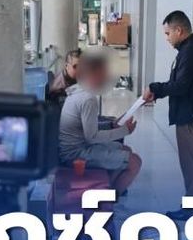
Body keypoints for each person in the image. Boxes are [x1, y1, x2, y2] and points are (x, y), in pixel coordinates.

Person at [142, 11, 193, 216]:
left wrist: (154, 88)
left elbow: (181, 86)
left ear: (179, 30)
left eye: (168, 33)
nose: (167, 38)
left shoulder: (189, 51)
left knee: (191, 163)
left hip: (192, 116)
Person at [59, 54, 142, 193]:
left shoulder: (78, 90)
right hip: (75, 154)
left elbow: (85, 127)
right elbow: (91, 137)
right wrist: (124, 131)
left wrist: (111, 125)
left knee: (126, 150)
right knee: (135, 162)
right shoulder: (87, 99)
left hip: (77, 147)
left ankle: (108, 192)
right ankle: (109, 199)